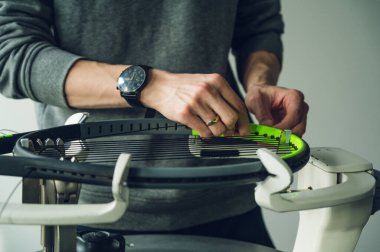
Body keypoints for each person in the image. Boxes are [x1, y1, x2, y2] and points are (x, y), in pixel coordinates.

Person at [0, 0, 308, 248]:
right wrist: (148, 84)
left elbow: (257, 24)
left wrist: (260, 83)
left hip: (229, 197)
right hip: (90, 209)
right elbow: (10, 51)